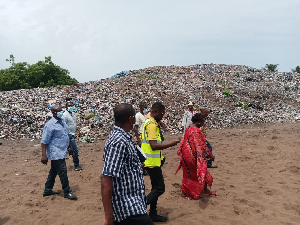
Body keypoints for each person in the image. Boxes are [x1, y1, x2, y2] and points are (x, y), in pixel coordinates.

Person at [101, 103, 153, 225]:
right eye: (134, 116)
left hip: (135, 203)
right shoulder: (118, 142)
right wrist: (108, 219)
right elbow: (106, 178)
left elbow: (120, 166)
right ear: (130, 118)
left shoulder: (124, 137)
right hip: (127, 208)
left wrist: (135, 167)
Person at [141, 102, 180, 222]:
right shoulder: (151, 124)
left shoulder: (150, 121)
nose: (162, 116)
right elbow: (154, 146)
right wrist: (171, 144)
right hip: (151, 162)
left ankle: (153, 213)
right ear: (156, 112)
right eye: (162, 114)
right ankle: (139, 208)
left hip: (151, 161)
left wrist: (159, 123)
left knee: (155, 188)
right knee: (160, 188)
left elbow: (149, 115)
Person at [176, 113, 216, 199]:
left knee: (187, 174)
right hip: (191, 156)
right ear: (199, 122)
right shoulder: (195, 131)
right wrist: (210, 155)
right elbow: (200, 146)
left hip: (185, 155)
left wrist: (180, 151)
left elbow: (183, 141)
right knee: (201, 172)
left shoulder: (189, 128)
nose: (203, 124)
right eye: (202, 122)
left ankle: (187, 191)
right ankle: (190, 192)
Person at [41, 105, 77, 200]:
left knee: (53, 171)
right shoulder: (50, 125)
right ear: (53, 112)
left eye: (61, 110)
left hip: (62, 150)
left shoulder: (63, 122)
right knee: (62, 171)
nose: (61, 112)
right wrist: (44, 155)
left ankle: (47, 190)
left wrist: (70, 147)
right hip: (55, 152)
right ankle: (67, 191)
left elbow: (66, 135)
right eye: (58, 111)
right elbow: (44, 141)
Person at [62, 101, 83, 171]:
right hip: (68, 135)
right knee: (75, 150)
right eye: (69, 106)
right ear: (66, 107)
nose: (71, 107)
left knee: (71, 150)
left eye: (72, 105)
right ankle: (76, 165)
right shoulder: (64, 115)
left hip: (72, 134)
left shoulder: (73, 114)